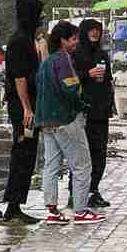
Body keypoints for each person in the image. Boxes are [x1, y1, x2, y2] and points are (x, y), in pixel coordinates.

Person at [30, 18, 88, 221]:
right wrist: (82, 105)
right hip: (65, 119)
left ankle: (52, 210)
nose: (76, 43)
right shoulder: (63, 60)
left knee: (51, 166)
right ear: (63, 40)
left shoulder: (46, 63)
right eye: (73, 39)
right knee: (81, 165)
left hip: (46, 121)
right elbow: (70, 88)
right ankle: (81, 210)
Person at [0, 11, 42, 223]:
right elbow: (20, 78)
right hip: (22, 107)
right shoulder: (20, 42)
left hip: (27, 104)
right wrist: (26, 108)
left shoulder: (26, 40)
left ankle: (17, 203)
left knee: (27, 154)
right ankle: (13, 205)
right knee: (22, 153)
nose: (40, 21)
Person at [67, 20, 117, 218]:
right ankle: (75, 193)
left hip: (100, 111)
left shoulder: (102, 54)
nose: (95, 34)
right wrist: (87, 75)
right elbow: (70, 80)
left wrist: (110, 104)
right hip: (83, 109)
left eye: (98, 31)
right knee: (80, 154)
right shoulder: (76, 54)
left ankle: (93, 189)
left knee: (99, 153)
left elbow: (108, 81)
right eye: (92, 31)